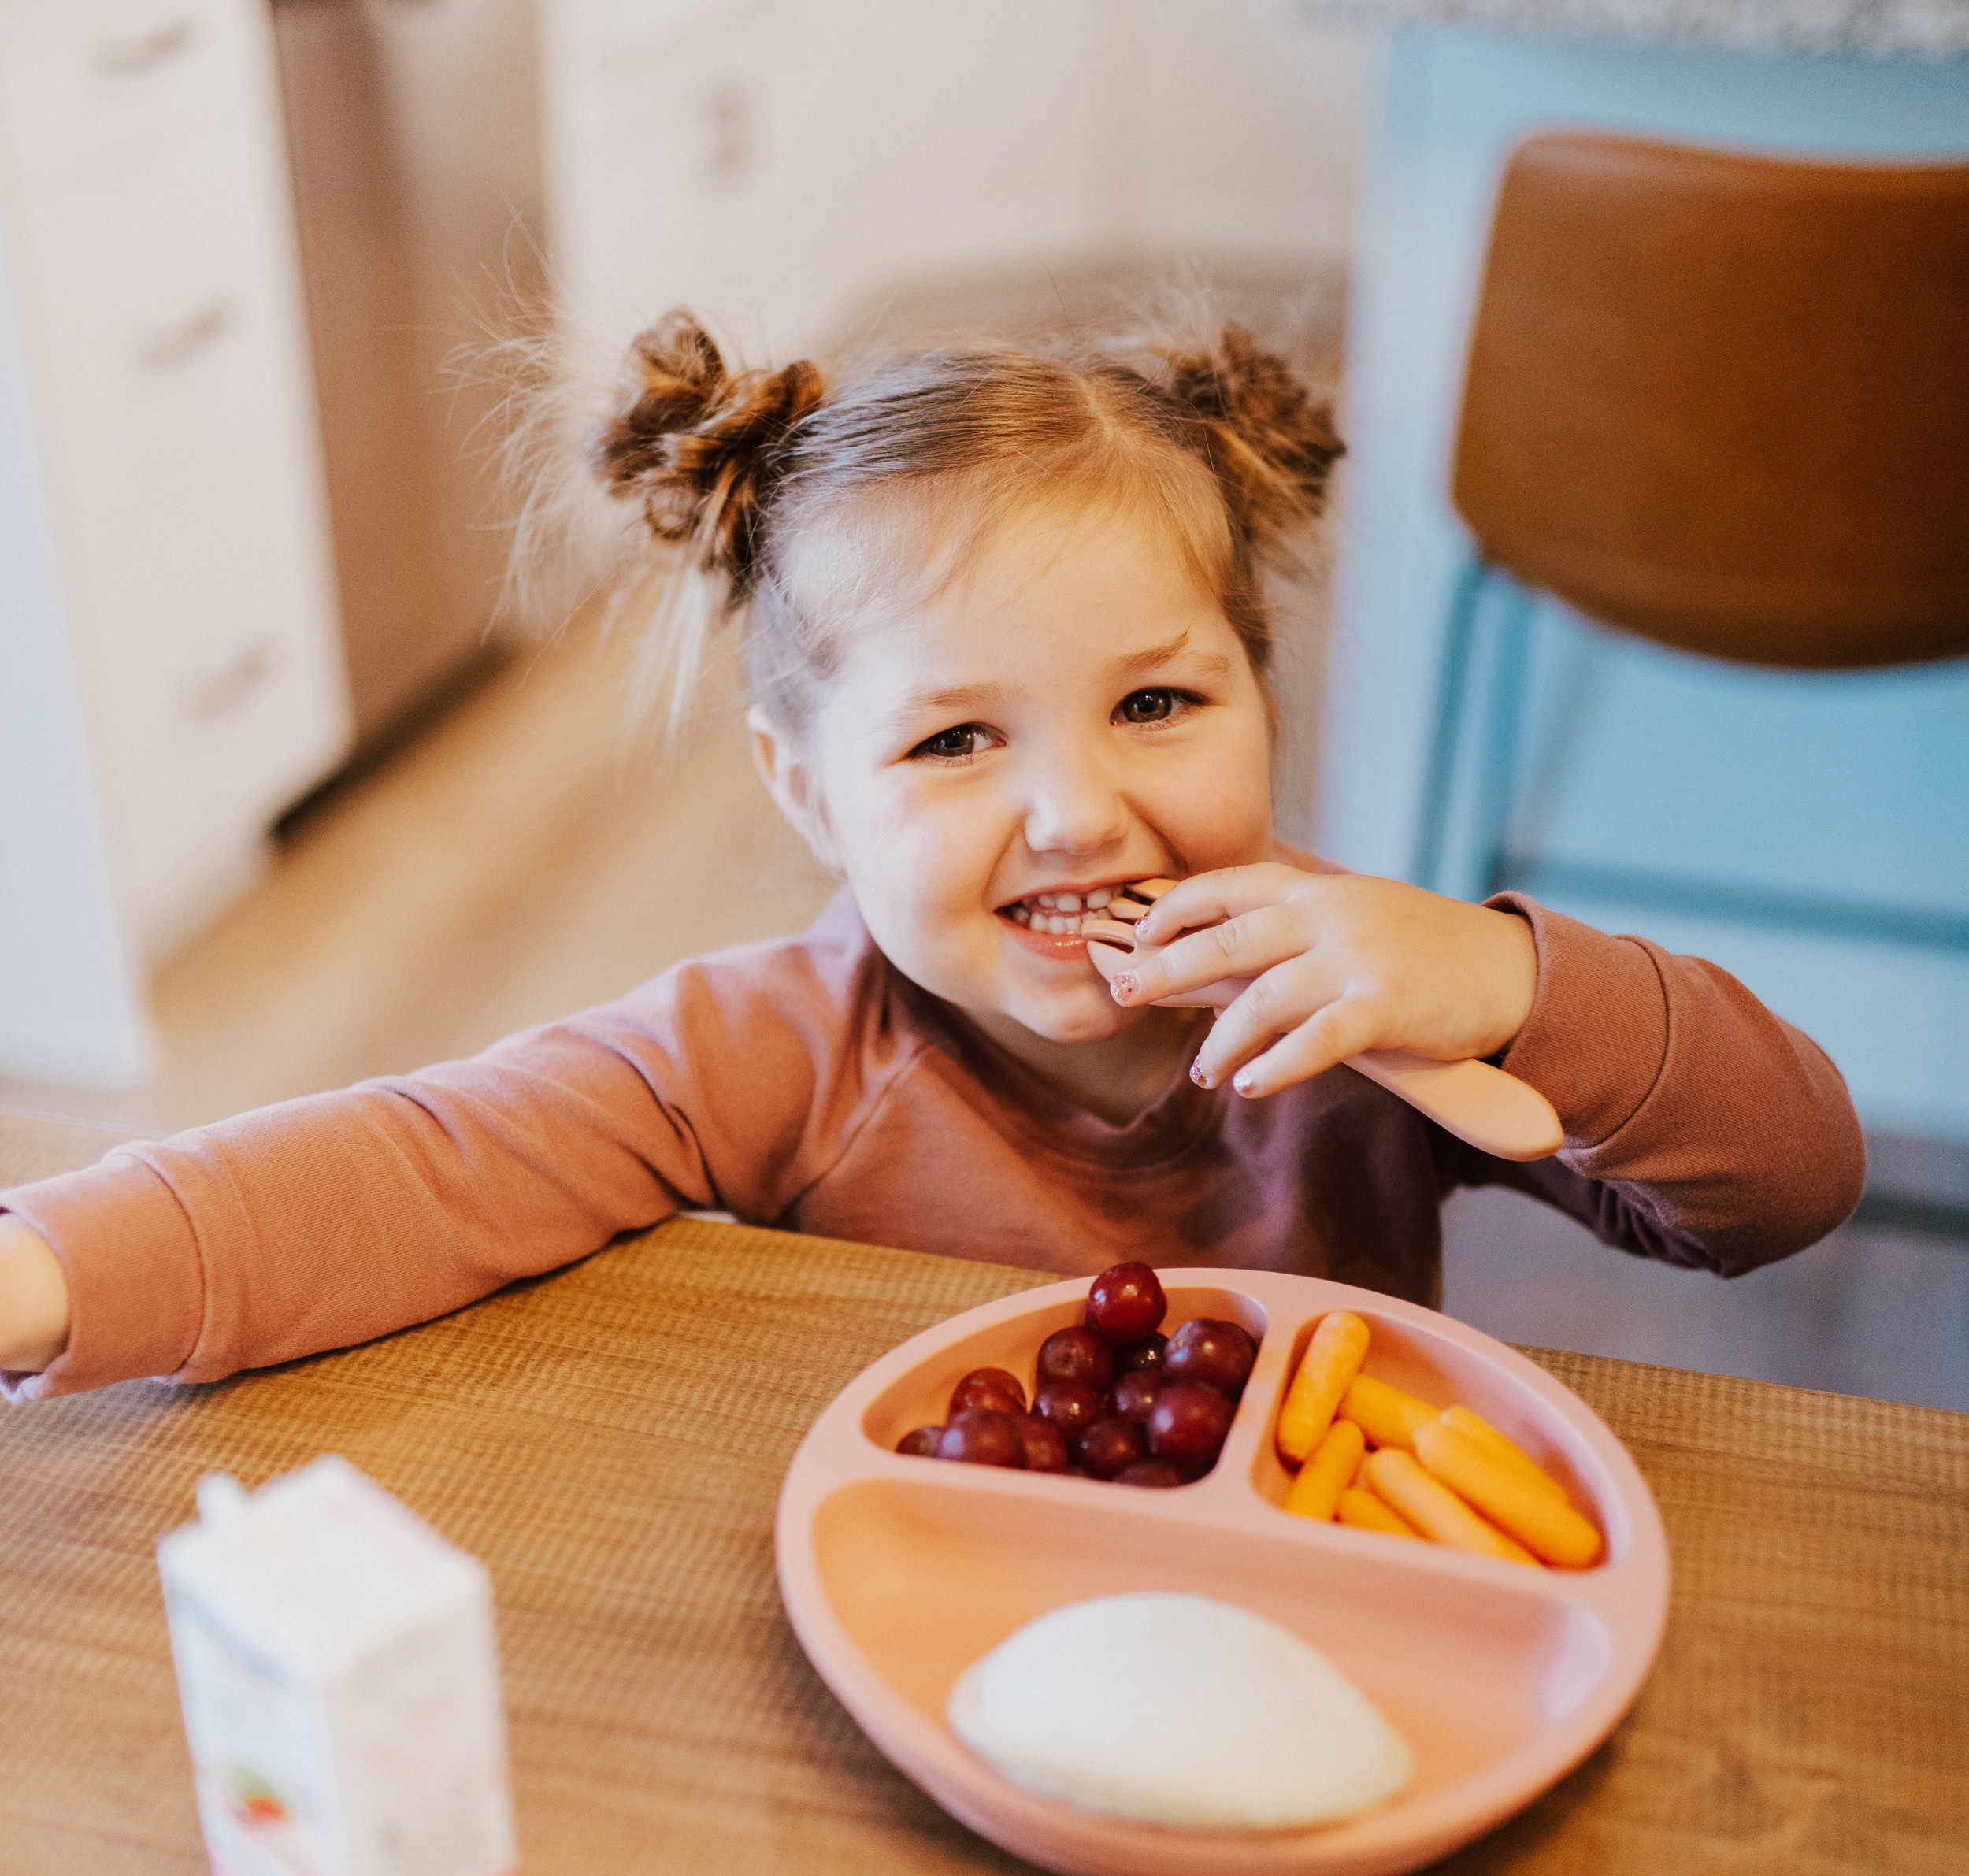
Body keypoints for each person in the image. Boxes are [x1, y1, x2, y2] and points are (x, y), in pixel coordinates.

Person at [0, 312, 1864, 1403]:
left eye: (1155, 706)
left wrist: (1509, 976)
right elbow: (409, 1170)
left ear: (1261, 691)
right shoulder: (771, 1048)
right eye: (953, 739)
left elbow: (1777, 1186)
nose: (1069, 811)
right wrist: (41, 1273)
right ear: (805, 792)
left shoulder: (1360, 1016)